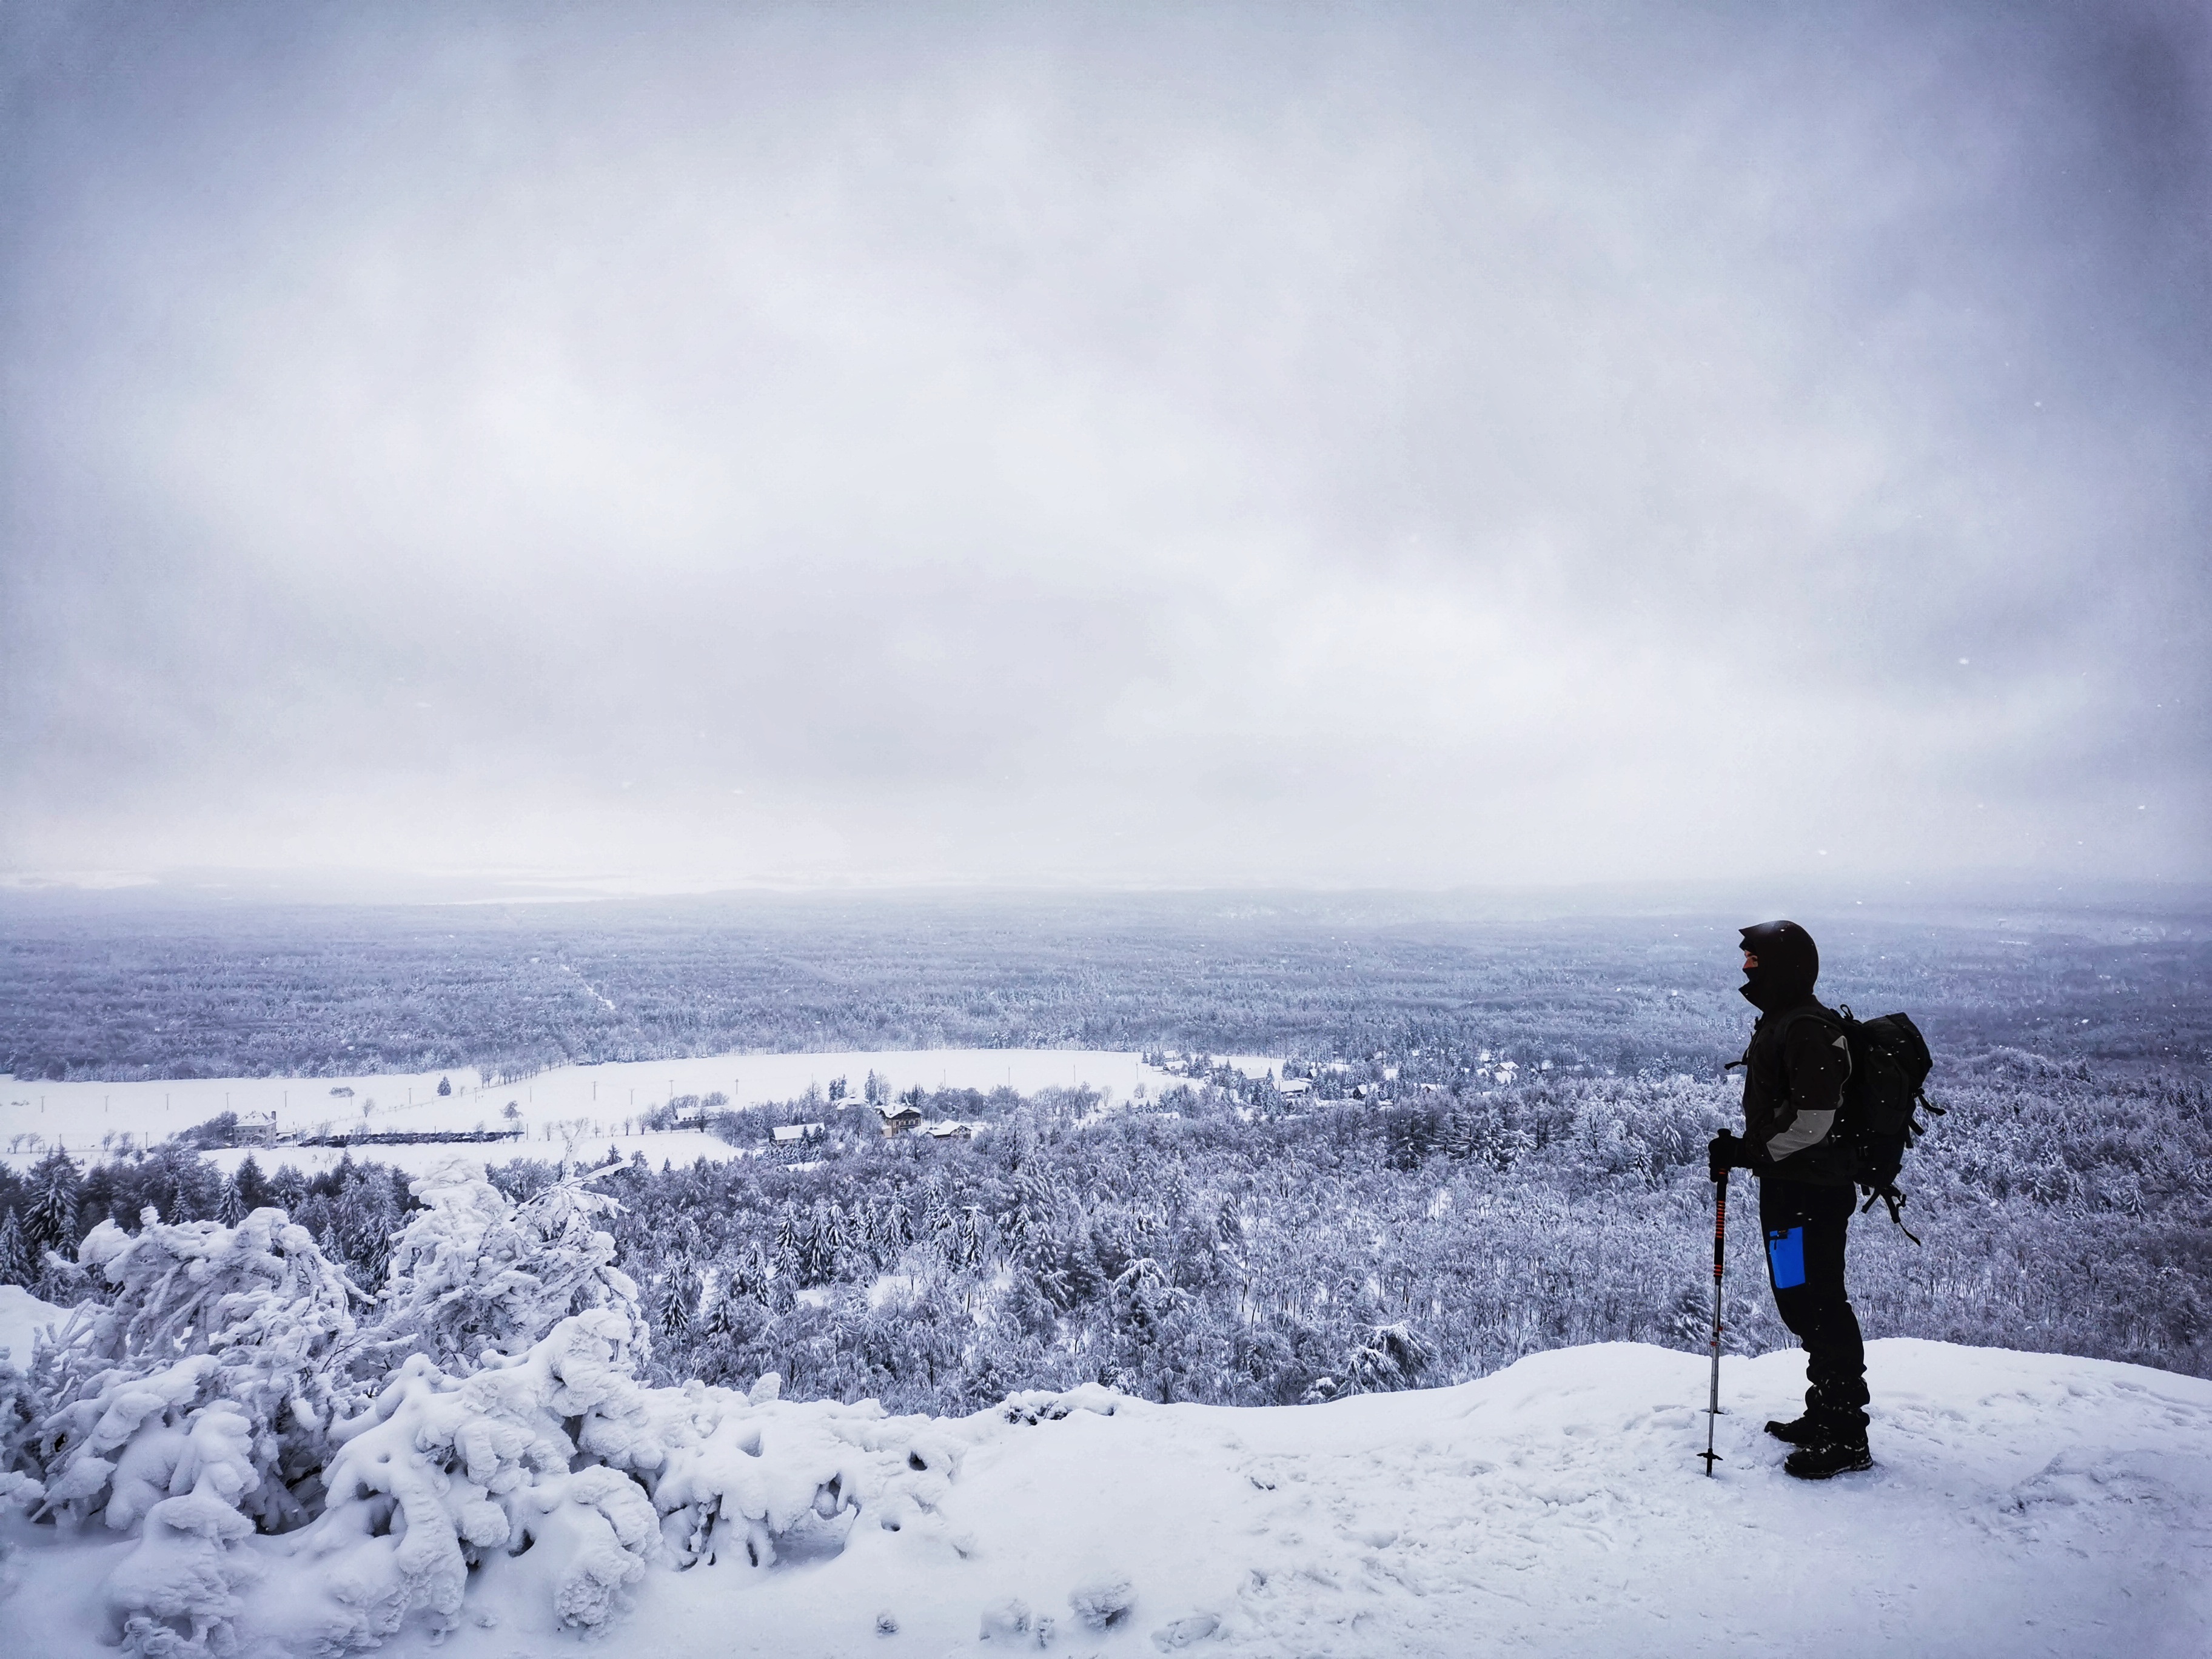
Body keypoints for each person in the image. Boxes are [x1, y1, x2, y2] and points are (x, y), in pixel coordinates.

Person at [1707, 919, 1872, 1479]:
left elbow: (1814, 1120)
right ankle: (1824, 1413)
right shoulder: (1783, 1020)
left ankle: (1846, 1435)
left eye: (1755, 961)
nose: (1745, 968)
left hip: (1813, 1193)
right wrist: (1748, 1152)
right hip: (1790, 1189)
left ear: (1784, 966)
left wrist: (1748, 1152)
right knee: (1800, 1302)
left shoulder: (1804, 1027)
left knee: (1821, 1304)